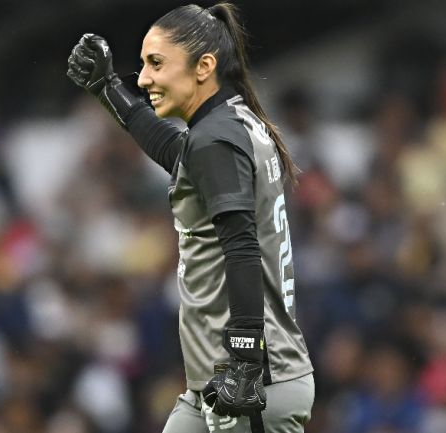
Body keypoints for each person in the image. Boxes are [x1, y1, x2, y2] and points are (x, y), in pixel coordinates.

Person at [67, 3, 314, 432]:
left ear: (203, 66)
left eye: (156, 63)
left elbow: (242, 248)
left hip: (249, 383)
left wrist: (244, 358)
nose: (143, 79)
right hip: (217, 385)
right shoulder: (231, 124)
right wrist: (107, 87)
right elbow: (174, 151)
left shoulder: (215, 138)